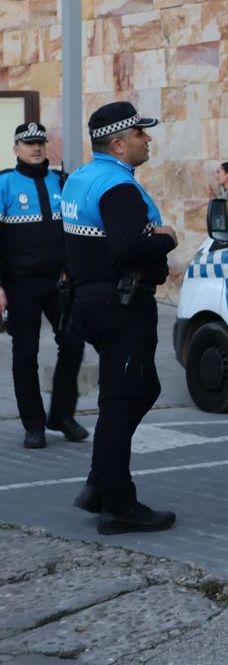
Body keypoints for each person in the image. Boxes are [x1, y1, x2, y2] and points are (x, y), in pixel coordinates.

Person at [61, 102, 179, 534]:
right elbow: (128, 247)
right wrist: (166, 238)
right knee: (125, 400)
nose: (147, 140)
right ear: (118, 143)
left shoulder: (80, 178)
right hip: (121, 305)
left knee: (128, 394)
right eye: (140, 134)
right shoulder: (118, 187)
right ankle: (118, 505)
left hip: (92, 302)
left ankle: (99, 485)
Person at [0, 122, 88, 449]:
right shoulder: (4, 184)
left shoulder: (63, 182)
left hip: (60, 284)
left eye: (39, 142)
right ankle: (33, 425)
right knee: (26, 355)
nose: (36, 148)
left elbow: (77, 229)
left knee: (74, 344)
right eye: (28, 143)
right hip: (20, 284)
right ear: (16, 149)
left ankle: (62, 415)